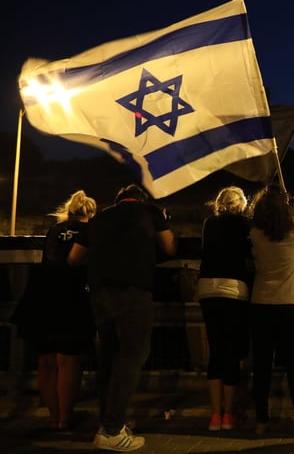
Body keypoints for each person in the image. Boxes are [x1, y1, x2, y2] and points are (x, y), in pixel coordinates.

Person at [68, 184, 176, 452]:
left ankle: (107, 424)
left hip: (100, 294)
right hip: (134, 292)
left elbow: (73, 258)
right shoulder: (151, 212)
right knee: (133, 355)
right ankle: (113, 430)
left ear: (118, 201)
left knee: (109, 358)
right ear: (141, 200)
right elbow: (170, 247)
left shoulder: (101, 217)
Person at [11, 190, 97, 431]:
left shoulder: (53, 231)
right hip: (72, 296)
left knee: (46, 361)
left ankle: (52, 416)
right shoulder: (89, 231)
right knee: (68, 361)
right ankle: (64, 419)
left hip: (40, 295)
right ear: (90, 213)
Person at [248, 183, 294, 436]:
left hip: (261, 304)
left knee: (262, 367)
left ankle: (261, 421)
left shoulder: (255, 233)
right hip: (290, 304)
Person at [197, 186, 252, 432]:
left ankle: (214, 415)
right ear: (240, 204)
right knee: (232, 351)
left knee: (216, 350)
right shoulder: (244, 224)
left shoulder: (209, 223)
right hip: (234, 288)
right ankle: (229, 414)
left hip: (207, 287)